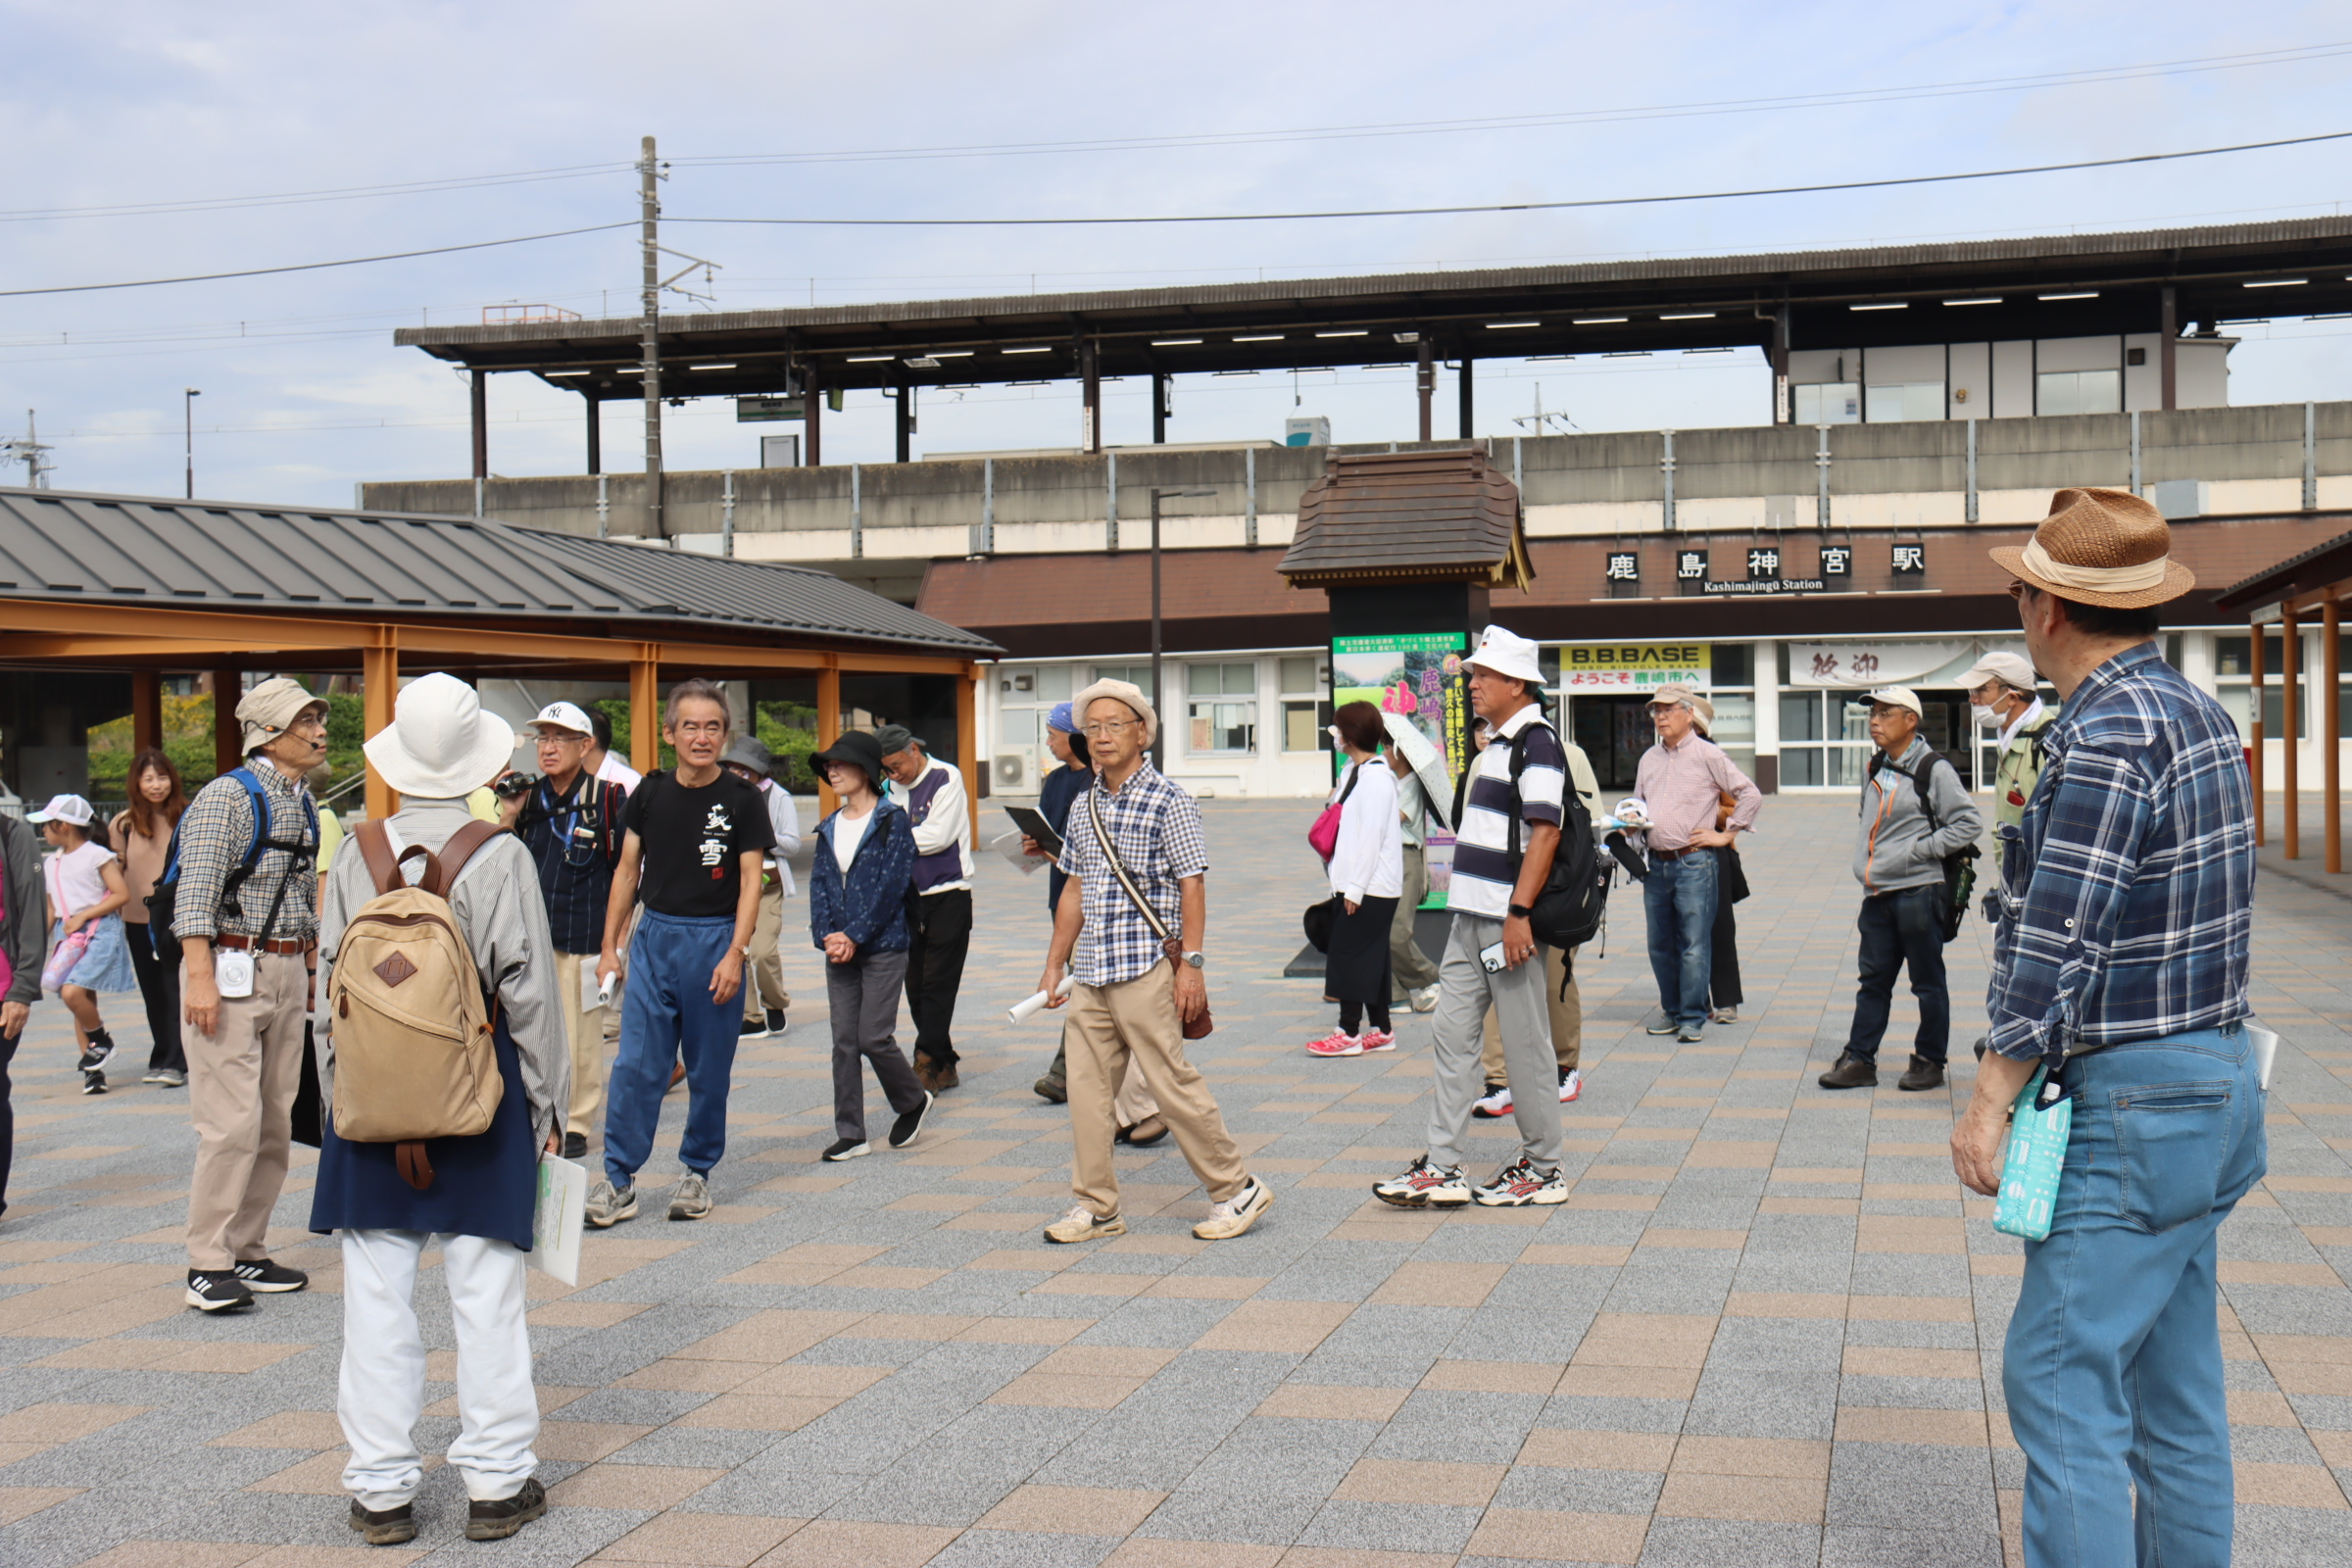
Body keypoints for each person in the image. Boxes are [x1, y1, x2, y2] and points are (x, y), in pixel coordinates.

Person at [1952, 488, 2260, 1568]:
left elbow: (2057, 943)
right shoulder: (2195, 712)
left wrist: (1989, 1096)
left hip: (2131, 1099)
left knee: (2057, 1372)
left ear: (2045, 608)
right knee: (2174, 1386)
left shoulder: (2102, 728)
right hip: (2215, 1082)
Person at [314, 672, 564, 1547]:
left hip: (373, 1091)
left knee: (374, 1298)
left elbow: (328, 990)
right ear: (476, 761)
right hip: (480, 1087)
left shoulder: (355, 851)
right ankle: (497, 1484)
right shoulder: (499, 853)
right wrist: (547, 1107)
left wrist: (336, 1094)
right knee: (486, 1293)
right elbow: (529, 996)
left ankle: (381, 1490)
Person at [1037, 678, 1271, 1244]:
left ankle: (1237, 1188)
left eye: (1115, 725)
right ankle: (1096, 1207)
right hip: (1092, 969)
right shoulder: (1084, 801)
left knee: (1170, 1084)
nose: (1101, 737)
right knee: (1089, 1096)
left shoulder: (1170, 799)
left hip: (1146, 964)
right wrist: (1054, 964)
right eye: (1091, 728)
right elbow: (1073, 887)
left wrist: (1191, 964)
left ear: (1142, 732)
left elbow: (1193, 886)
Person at [1373, 625, 1574, 1210]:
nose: (1473, 685)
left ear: (1517, 683)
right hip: (1469, 918)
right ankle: (1443, 1166)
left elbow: (1547, 830)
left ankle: (1544, 1168)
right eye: (1473, 675)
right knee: (1452, 1037)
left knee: (1525, 1045)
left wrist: (1518, 915)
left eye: (1484, 676)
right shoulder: (1498, 747)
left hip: (1504, 923)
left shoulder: (1538, 742)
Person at [586, 678, 771, 1228]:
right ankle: (619, 1179)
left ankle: (697, 1172)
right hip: (654, 938)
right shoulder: (650, 792)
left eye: (712, 727)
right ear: (670, 733)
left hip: (714, 939)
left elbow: (750, 883)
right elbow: (626, 870)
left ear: (725, 735)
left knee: (710, 1067)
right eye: (689, 726)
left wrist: (736, 952)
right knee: (636, 1065)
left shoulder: (741, 799)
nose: (701, 736)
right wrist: (610, 947)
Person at [174, 676, 326, 1313]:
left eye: (319, 721)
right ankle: (206, 1261)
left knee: (273, 1118)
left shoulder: (305, 799)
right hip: (229, 967)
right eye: (305, 724)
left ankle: (248, 1245)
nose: (320, 733)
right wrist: (200, 977)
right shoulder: (226, 798)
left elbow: (300, 895)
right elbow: (195, 893)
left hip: (288, 970)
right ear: (269, 734)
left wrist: (314, 966)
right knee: (230, 1122)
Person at [1817, 686, 1984, 1093]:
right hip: (1877, 893)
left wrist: (1917, 852)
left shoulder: (1933, 768)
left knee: (1927, 982)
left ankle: (1929, 1061)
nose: (1874, 720)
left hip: (1918, 891)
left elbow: (1968, 823)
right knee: (1872, 981)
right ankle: (1860, 1060)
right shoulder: (1875, 765)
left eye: (1885, 712)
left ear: (1911, 720)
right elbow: (1868, 819)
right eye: (1872, 712)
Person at [511, 701, 628, 1161]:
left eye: (559, 738)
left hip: (584, 936)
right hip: (530, 937)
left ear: (585, 746)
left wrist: (612, 944)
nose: (548, 747)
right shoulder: (527, 797)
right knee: (531, 1030)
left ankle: (576, 1121)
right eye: (542, 738)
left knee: (581, 1037)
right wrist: (507, 812)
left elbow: (625, 871)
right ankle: (537, 1114)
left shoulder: (608, 797)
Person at [807, 731, 932, 1161]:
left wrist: (854, 935)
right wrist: (827, 936)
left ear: (866, 769)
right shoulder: (828, 826)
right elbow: (820, 883)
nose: (832, 770)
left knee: (872, 1037)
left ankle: (913, 1100)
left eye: (840, 763)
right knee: (843, 1041)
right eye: (828, 766)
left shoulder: (891, 820)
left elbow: (892, 887)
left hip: (883, 945)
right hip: (838, 949)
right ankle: (852, 1132)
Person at [1470, 724, 1602, 1116]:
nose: (1486, 730)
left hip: (1553, 895)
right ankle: (1499, 1079)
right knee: (1498, 982)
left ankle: (1565, 1067)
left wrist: (1578, 892)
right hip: (1497, 896)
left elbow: (1587, 825)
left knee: (1555, 981)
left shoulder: (1568, 753)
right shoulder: (1483, 761)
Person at [1634, 684, 1761, 1044]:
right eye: (1655, 710)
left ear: (1689, 714)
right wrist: (1631, 823)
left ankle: (1692, 1015)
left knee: (1693, 942)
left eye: (1668, 709)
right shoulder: (1648, 759)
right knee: (1660, 943)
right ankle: (1671, 1010)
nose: (1660, 716)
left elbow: (1748, 793)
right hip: (1656, 864)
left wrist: (1725, 834)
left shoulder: (1708, 754)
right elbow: (1639, 804)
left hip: (1694, 863)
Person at [876, 723, 974, 1094]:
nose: (893, 774)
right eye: (886, 768)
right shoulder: (887, 788)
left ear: (914, 749)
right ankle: (943, 1062)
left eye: (897, 764)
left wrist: (887, 837)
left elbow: (937, 837)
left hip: (949, 892)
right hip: (907, 896)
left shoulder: (945, 777)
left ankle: (925, 1057)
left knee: (938, 981)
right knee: (914, 983)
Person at [1308, 701, 1403, 1056]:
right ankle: (1381, 1029)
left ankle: (1348, 1031)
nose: (1333, 735)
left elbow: (1372, 840)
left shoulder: (1378, 780)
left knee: (1346, 953)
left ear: (1349, 736)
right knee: (1372, 956)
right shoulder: (1353, 772)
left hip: (1371, 887)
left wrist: (1356, 889)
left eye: (1337, 729)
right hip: (1354, 883)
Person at [30, 797, 135, 1095]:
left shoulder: (97, 855)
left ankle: (101, 1041)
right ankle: (93, 1071)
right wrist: (37, 942)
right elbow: (52, 908)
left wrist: (83, 916)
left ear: (63, 825)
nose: (44, 833)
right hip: (71, 937)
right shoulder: (53, 861)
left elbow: (121, 894)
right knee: (81, 1001)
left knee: (72, 992)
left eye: (46, 826)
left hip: (99, 932)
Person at [114, 750, 189, 1088]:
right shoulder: (123, 823)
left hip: (176, 915)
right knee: (152, 991)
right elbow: (116, 869)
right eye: (148, 779)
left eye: (162, 777)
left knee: (175, 985)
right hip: (137, 919)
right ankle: (162, 1054)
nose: (156, 785)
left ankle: (177, 1059)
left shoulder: (187, 816)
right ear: (137, 783)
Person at [1030, 702, 1093, 1103]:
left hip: (1090, 897)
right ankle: (1071, 1072)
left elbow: (1083, 856)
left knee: (1086, 987)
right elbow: (1051, 832)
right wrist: (1034, 845)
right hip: (1063, 896)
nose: (1049, 741)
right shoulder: (1054, 781)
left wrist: (1054, 854)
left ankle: (1064, 1072)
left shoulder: (1096, 782)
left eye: (1054, 733)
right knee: (1083, 985)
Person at [720, 735, 800, 1041]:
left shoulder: (778, 798)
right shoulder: (721, 793)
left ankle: (775, 1002)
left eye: (745, 769)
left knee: (762, 952)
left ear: (760, 772)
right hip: (731, 884)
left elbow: (792, 843)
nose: (738, 774)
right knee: (737, 950)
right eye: (732, 768)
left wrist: (760, 836)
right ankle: (750, 1016)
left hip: (767, 885)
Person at [1380, 715, 1442, 1018]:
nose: (1383, 752)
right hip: (1386, 860)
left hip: (1407, 860)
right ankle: (1396, 994)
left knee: (1396, 930)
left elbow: (1394, 819)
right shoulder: (1387, 780)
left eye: (1387, 746)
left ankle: (1431, 978)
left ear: (1400, 751)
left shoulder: (1412, 784)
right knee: (1380, 928)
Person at [1692, 696, 1746, 1027]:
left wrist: (1713, 816)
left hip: (1714, 853)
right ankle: (1694, 1000)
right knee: (1682, 933)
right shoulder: (1659, 759)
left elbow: (1739, 806)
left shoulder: (1714, 758)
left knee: (1719, 928)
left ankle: (1726, 1001)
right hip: (1674, 855)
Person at [1964, 650, 2055, 842]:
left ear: (2012, 697)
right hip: (2012, 870)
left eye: (1981, 689)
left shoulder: (2050, 740)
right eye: (1972, 691)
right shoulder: (2010, 736)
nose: (1973, 699)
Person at [585, 703, 643, 792]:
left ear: (588, 742)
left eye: (561, 738)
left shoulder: (630, 784)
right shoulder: (562, 781)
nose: (555, 747)